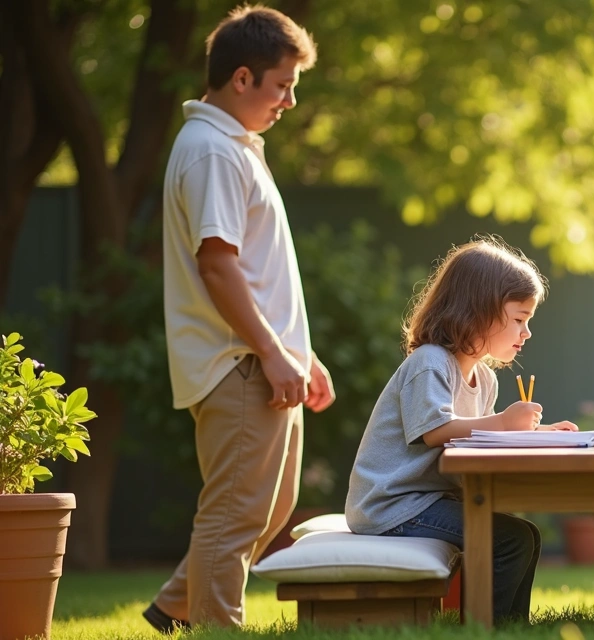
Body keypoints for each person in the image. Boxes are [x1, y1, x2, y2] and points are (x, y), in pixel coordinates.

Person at [146, 5, 333, 631]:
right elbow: (218, 267)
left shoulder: (234, 147)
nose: (288, 102)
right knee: (233, 518)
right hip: (241, 366)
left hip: (265, 359)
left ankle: (172, 607)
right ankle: (214, 626)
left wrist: (298, 352)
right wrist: (274, 353)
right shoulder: (211, 152)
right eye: (282, 86)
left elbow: (253, 269)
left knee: (265, 510)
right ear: (243, 78)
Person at [346, 239, 576, 623]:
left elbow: (478, 440)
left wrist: (539, 432)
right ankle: (488, 626)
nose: (527, 332)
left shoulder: (484, 378)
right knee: (509, 539)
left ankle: (512, 626)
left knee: (527, 536)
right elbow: (437, 432)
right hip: (392, 505)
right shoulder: (430, 363)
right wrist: (504, 421)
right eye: (520, 319)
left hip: (426, 501)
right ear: (480, 310)